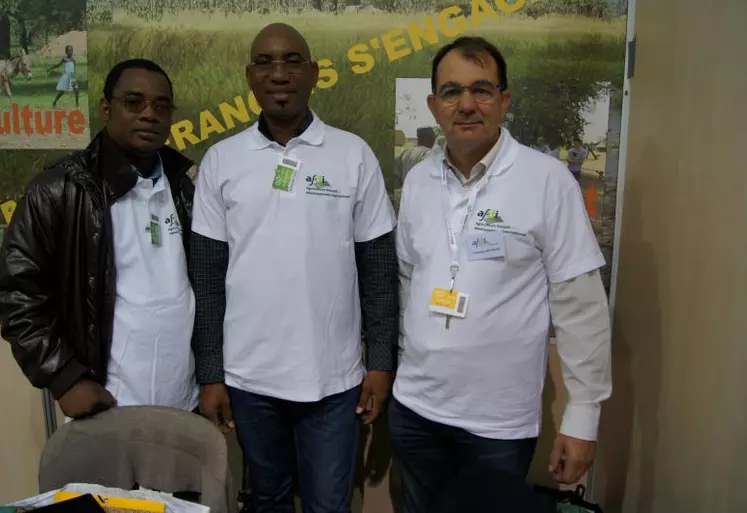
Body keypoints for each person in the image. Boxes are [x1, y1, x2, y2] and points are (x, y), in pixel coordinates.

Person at [391, 36, 612, 513]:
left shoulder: (547, 181)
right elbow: (408, 281)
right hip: (415, 410)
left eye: (482, 90)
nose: (466, 104)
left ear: (504, 100)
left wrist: (583, 416)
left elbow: (581, 306)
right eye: (451, 91)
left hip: (496, 425)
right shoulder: (417, 182)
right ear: (433, 105)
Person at [190, 23, 398, 513]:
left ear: (314, 73)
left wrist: (381, 362)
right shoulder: (223, 160)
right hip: (249, 379)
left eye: (291, 61)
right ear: (249, 76)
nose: (278, 73)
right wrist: (211, 373)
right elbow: (207, 279)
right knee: (268, 500)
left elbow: (379, 271)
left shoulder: (353, 155)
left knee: (330, 504)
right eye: (264, 62)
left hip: (334, 380)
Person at [0, 59, 199, 420]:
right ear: (106, 108)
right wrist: (63, 376)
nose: (149, 114)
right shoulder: (61, 188)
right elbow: (17, 294)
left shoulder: (186, 184)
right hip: (105, 406)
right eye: (134, 102)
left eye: (161, 106)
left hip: (184, 402)